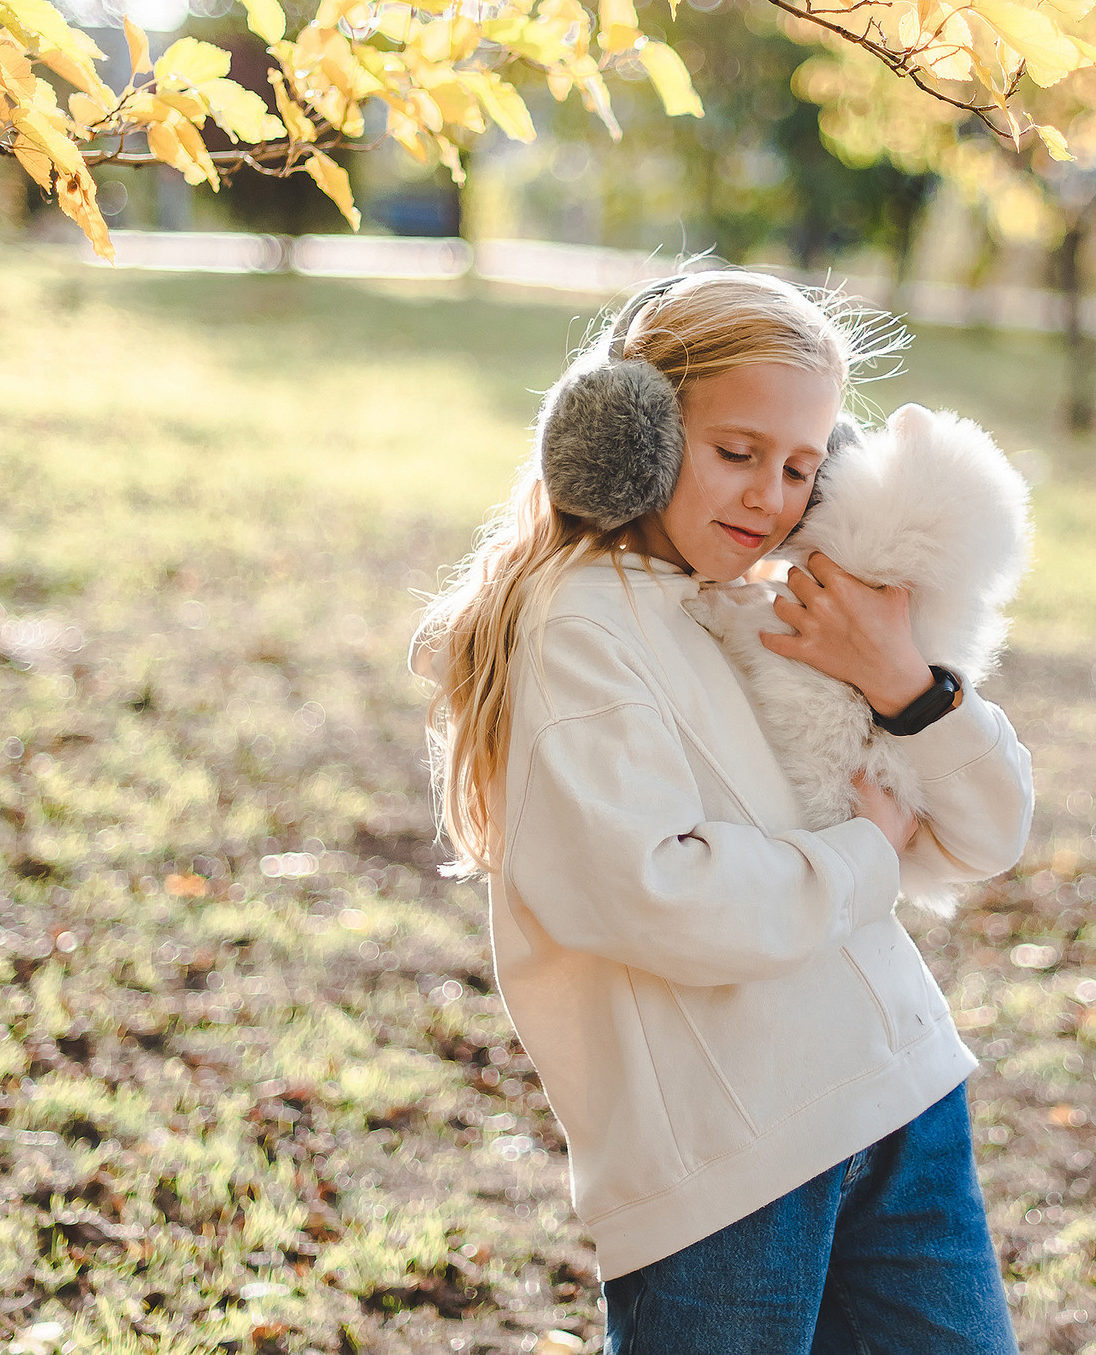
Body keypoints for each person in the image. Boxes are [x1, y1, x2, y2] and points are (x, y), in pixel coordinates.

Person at [413, 269, 1036, 1355]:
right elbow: (656, 895)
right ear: (632, 435)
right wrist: (861, 860)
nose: (770, 498)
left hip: (900, 1099)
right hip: (731, 1165)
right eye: (737, 453)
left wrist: (906, 683)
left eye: (802, 466)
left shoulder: (778, 609)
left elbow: (987, 834)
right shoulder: (578, 632)